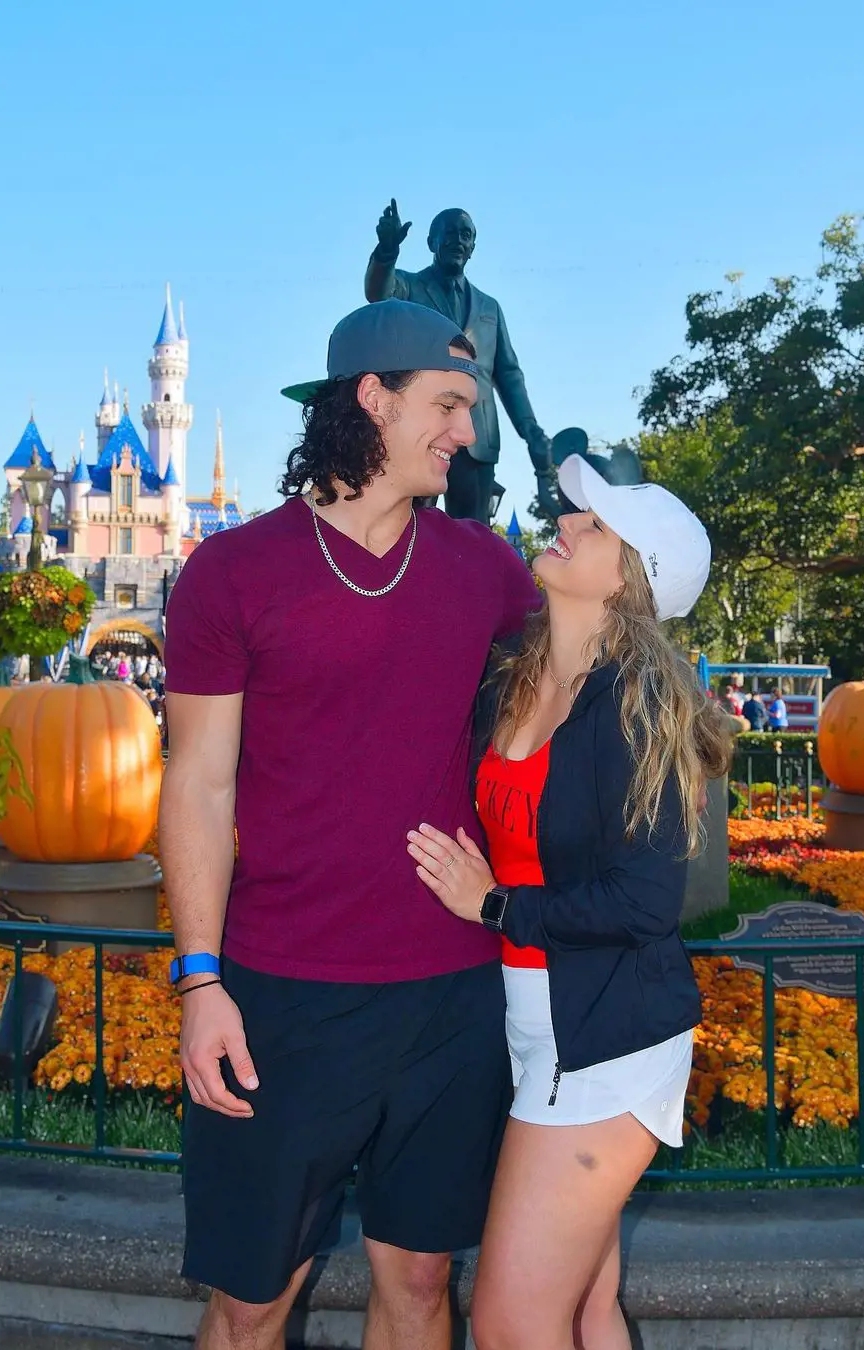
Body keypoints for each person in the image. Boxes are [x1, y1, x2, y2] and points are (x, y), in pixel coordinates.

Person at [160, 298, 540, 1350]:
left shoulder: (487, 570)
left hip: (452, 996)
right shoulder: (231, 574)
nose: (468, 431)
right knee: (253, 1303)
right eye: (451, 405)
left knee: (421, 1283)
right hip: (286, 996)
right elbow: (197, 786)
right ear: (372, 399)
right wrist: (201, 982)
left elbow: (584, 703)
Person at [407, 453, 731, 1350]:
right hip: (532, 1019)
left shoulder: (639, 703)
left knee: (513, 1323)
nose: (568, 523)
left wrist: (495, 907)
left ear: (629, 577)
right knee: (584, 1310)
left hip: (609, 1033)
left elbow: (646, 902)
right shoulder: (513, 674)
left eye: (596, 526)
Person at [355, 201, 559, 525]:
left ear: (473, 247)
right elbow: (377, 293)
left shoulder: (489, 308)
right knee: (411, 526)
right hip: (424, 428)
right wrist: (386, 250)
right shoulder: (409, 287)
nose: (458, 241)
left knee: (473, 533)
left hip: (478, 434)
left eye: (466, 235)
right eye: (449, 234)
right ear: (431, 242)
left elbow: (508, 374)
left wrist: (530, 430)